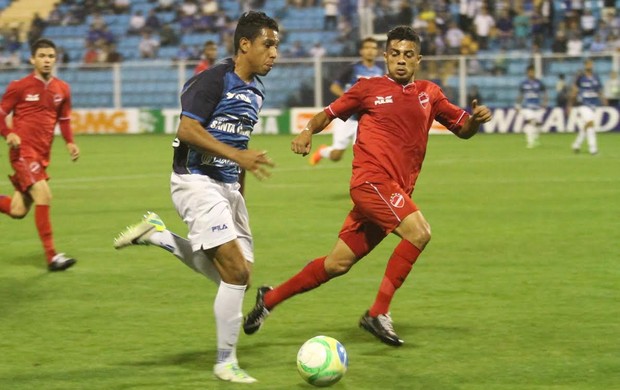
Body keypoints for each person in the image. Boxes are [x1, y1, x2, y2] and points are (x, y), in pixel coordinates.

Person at [243, 26, 492, 347]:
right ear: (386, 56)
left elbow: (463, 129)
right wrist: (307, 132)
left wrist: (474, 120)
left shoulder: (430, 93)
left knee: (337, 264)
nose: (401, 61)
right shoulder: (368, 88)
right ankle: (378, 313)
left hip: (393, 194)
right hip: (371, 183)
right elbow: (327, 114)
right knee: (420, 233)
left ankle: (270, 299)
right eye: (395, 54)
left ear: (418, 59)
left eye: (408, 55)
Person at [113, 11, 279, 383]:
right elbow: (187, 130)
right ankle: (225, 362)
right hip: (194, 180)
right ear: (245, 45)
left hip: (227, 187)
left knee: (239, 276)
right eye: (268, 45)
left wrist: (239, 194)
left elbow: (240, 146)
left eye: (277, 46)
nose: (274, 53)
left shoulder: (256, 91)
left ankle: (158, 235)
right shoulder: (213, 80)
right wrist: (238, 158)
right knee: (235, 272)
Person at [0, 38, 80, 271]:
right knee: (44, 196)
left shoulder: (62, 89)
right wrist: (8, 134)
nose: (47, 60)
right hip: (23, 153)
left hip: (42, 155)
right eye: (42, 56)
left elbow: (64, 119)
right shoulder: (19, 86)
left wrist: (70, 143)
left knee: (18, 210)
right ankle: (52, 257)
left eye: (51, 56)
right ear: (32, 59)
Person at [309, 37, 383, 166]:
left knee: (365, 154)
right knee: (336, 155)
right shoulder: (353, 68)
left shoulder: (380, 71)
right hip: (346, 118)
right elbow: (334, 86)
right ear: (361, 51)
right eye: (367, 48)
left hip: (365, 120)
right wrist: (349, 100)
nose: (370, 51)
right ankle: (322, 151)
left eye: (373, 48)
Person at [569, 59, 607, 155]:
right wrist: (569, 104)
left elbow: (599, 90)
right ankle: (593, 149)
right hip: (583, 104)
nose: (590, 66)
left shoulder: (596, 77)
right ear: (585, 65)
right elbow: (574, 90)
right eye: (588, 64)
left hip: (593, 105)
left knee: (586, 126)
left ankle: (576, 144)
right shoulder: (580, 77)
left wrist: (603, 99)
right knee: (590, 124)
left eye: (591, 64)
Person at [516, 65, 547, 148]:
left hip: (537, 107)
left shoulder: (539, 82)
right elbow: (520, 95)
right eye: (530, 72)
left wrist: (545, 103)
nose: (531, 73)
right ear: (527, 73)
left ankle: (535, 138)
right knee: (530, 122)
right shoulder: (524, 83)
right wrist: (517, 105)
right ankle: (530, 142)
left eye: (532, 72)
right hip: (527, 107)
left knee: (538, 124)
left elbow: (544, 93)